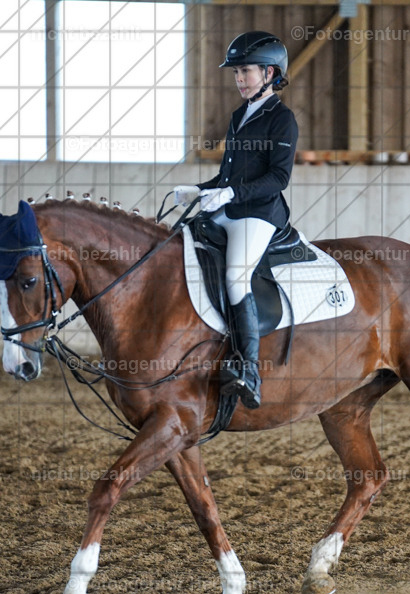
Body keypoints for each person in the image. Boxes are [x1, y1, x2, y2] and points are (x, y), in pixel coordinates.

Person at [172, 31, 298, 410]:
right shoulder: (239, 115)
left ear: (269, 73)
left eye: (245, 72)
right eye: (236, 73)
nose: (239, 79)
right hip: (229, 206)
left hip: (258, 215)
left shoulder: (283, 119)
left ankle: (249, 371)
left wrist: (231, 195)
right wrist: (200, 189)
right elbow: (229, 176)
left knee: (235, 276)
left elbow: (279, 178)